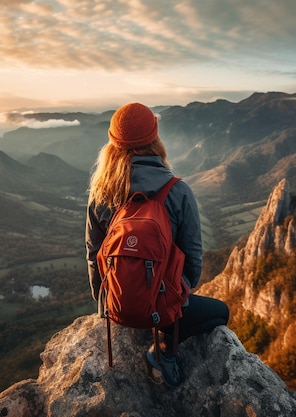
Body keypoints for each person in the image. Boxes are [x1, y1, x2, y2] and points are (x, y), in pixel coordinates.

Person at [85, 102, 229, 388]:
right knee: (220, 312)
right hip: (163, 309)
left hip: (115, 307)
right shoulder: (177, 191)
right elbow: (193, 263)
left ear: (112, 144)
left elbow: (93, 255)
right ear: (155, 139)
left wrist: (109, 302)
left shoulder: (101, 192)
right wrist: (166, 294)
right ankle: (164, 352)